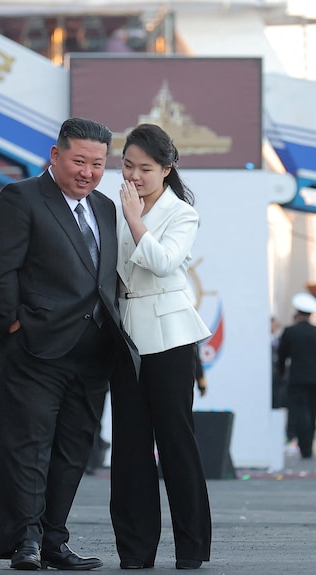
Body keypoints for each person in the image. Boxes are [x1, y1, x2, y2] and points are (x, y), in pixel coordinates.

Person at [0, 117, 139, 571]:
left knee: (73, 451)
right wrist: (10, 324)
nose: (87, 172)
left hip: (93, 353)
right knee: (26, 447)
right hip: (34, 348)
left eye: (98, 164)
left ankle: (54, 540)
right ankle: (24, 541)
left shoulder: (106, 208)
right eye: (79, 161)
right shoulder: (21, 197)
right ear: (55, 155)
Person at [109, 123, 211, 570]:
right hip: (125, 333)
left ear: (167, 170)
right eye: (127, 165)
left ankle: (191, 548)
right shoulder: (113, 206)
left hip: (169, 337)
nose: (133, 176)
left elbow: (165, 263)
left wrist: (134, 219)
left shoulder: (181, 213)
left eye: (145, 168)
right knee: (130, 445)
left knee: (175, 442)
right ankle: (135, 551)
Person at [276, 292, 316, 459]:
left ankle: (303, 446)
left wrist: (280, 373)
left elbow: (282, 356)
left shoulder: (289, 332)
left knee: (300, 412)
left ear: (298, 313)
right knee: (312, 411)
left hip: (296, 378)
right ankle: (309, 446)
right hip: (314, 378)